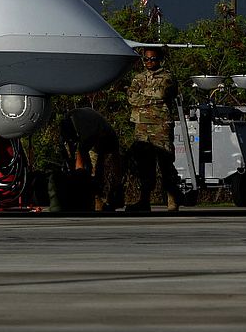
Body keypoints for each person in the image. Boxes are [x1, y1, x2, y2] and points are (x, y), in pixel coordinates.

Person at [126, 47, 180, 212]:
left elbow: (162, 93)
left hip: (161, 126)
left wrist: (142, 95)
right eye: (146, 59)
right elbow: (131, 97)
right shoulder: (138, 77)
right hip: (141, 127)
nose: (149, 62)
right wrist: (150, 96)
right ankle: (144, 201)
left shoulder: (167, 77)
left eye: (153, 59)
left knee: (165, 164)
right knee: (143, 165)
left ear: (159, 60)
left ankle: (172, 200)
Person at [58, 105, 124, 211]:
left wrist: (81, 175)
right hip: (91, 135)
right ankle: (93, 198)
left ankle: (109, 198)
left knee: (101, 171)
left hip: (106, 137)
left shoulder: (86, 128)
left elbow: (84, 157)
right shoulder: (67, 124)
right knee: (86, 171)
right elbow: (67, 151)